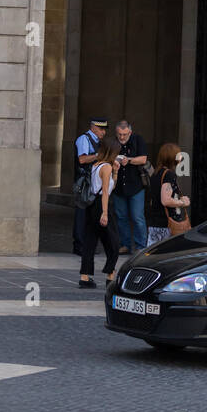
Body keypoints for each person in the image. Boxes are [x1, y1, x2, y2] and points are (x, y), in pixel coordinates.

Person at [79, 134, 121, 287]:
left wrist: (116, 172)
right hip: (102, 205)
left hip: (92, 205)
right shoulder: (107, 167)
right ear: (112, 151)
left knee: (90, 241)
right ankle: (111, 274)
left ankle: (85, 276)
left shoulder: (96, 165)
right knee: (114, 242)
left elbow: (110, 187)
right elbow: (106, 192)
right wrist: (104, 213)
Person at [113, 119, 149, 255]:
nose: (122, 137)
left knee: (137, 217)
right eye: (119, 134)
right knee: (121, 216)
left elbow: (143, 159)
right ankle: (125, 244)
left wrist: (129, 160)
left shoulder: (138, 140)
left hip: (136, 185)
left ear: (130, 132)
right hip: (118, 187)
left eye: (125, 134)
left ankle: (141, 246)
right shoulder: (113, 143)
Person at [72, 116, 107, 256]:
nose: (103, 132)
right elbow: (82, 159)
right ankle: (79, 245)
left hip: (93, 182)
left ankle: (88, 245)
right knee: (81, 214)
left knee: (91, 215)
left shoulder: (98, 141)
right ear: (93, 127)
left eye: (104, 129)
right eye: (101, 129)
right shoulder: (84, 139)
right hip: (84, 182)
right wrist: (99, 156)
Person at [145, 142, 190, 246]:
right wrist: (182, 202)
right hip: (166, 223)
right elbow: (166, 200)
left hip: (155, 221)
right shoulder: (169, 174)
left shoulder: (156, 173)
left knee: (154, 253)